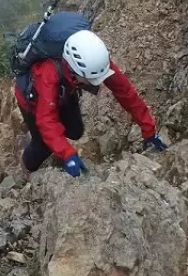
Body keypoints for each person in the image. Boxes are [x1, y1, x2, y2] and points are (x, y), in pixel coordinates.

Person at [14, 27, 166, 176]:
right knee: (43, 144)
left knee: (75, 131)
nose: (96, 83)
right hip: (33, 102)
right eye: (90, 79)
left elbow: (125, 92)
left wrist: (149, 130)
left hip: (64, 91)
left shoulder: (97, 62)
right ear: (74, 69)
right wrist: (67, 153)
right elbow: (45, 119)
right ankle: (27, 167)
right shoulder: (49, 73)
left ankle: (55, 142)